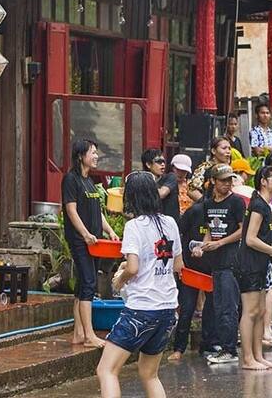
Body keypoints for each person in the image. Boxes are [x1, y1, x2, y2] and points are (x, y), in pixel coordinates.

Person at [97, 171, 183, 398]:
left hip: (142, 309)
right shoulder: (170, 223)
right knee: (149, 373)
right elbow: (178, 265)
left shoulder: (135, 226)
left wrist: (120, 277)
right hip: (167, 308)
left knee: (107, 370)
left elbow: (133, 267)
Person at [63, 139, 118, 348]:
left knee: (82, 286)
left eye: (96, 153)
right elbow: (71, 210)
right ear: (80, 156)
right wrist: (85, 234)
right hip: (80, 240)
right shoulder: (71, 179)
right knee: (88, 284)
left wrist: (110, 230)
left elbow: (97, 212)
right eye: (92, 153)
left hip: (95, 242)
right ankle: (89, 335)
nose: (96, 156)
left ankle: (78, 333)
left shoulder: (90, 181)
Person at [235, 165, 272, 370]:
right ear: (263, 181)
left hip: (259, 263)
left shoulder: (265, 205)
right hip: (249, 264)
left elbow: (260, 237)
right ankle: (248, 358)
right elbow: (249, 239)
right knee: (250, 312)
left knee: (259, 311)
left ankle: (258, 355)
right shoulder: (258, 205)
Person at [194, 164, 246, 364]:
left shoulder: (236, 202)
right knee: (217, 305)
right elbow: (208, 229)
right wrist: (203, 246)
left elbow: (243, 231)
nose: (227, 184)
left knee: (228, 307)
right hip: (214, 261)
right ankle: (223, 345)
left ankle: (229, 349)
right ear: (213, 181)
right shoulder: (208, 204)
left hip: (231, 260)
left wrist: (220, 243)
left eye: (229, 180)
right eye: (223, 180)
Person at [169, 166, 217, 361]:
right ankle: (179, 348)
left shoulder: (226, 210)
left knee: (211, 308)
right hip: (190, 268)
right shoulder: (195, 210)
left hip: (213, 267)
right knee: (187, 308)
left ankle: (207, 345)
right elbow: (177, 233)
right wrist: (180, 258)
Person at [188, 136, 232, 201]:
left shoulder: (230, 168)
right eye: (224, 148)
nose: (228, 151)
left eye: (229, 148)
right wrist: (206, 204)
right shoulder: (205, 168)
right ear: (213, 151)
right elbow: (192, 190)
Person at [141, 149, 179, 223]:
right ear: (148, 164)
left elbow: (161, 194)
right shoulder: (141, 180)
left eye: (163, 161)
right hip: (148, 224)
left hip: (168, 225)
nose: (162, 164)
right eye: (159, 162)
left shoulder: (170, 177)